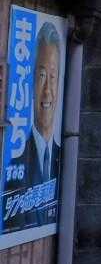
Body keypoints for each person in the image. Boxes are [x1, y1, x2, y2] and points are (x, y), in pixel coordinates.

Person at [23, 22, 63, 190]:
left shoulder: (63, 157)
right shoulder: (16, 162)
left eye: (52, 77)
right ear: (31, 81)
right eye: (41, 75)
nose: (47, 90)